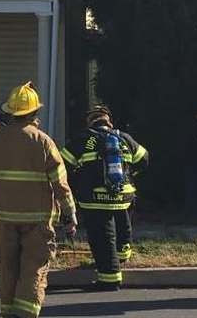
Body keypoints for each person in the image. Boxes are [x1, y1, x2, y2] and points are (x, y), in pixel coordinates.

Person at [0, 82, 77, 318]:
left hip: (4, 218)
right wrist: (70, 214)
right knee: (34, 268)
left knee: (8, 269)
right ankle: (25, 314)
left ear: (10, 112)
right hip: (37, 221)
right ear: (34, 112)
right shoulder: (43, 141)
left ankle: (8, 312)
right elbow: (60, 184)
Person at [61, 105, 148, 291]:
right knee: (123, 222)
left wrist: (77, 180)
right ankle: (122, 256)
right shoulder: (124, 138)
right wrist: (129, 174)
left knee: (102, 236)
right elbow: (144, 159)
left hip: (95, 197)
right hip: (123, 194)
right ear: (108, 120)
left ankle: (109, 277)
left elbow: (62, 166)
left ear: (89, 121)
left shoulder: (83, 139)